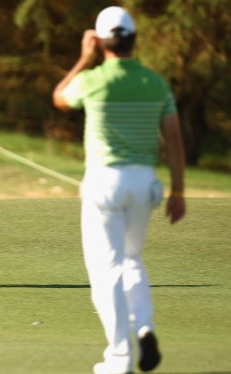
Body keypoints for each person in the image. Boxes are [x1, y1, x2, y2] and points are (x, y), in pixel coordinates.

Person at [52, 6, 186, 374]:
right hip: (145, 184)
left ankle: (120, 358)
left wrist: (82, 58)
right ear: (133, 40)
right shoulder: (156, 83)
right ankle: (145, 327)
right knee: (131, 259)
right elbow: (174, 140)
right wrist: (178, 192)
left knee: (105, 271)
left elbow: (59, 97)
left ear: (101, 40)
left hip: (105, 182)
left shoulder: (94, 78)